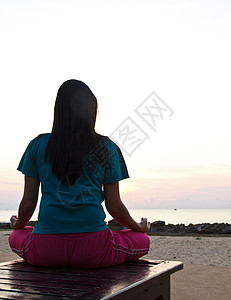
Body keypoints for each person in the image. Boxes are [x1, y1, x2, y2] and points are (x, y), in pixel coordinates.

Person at [9, 79, 150, 268]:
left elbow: (28, 204)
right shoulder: (106, 148)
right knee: (142, 240)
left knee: (17, 235)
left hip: (47, 250)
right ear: (90, 112)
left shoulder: (37, 145)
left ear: (58, 111)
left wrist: (18, 224)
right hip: (94, 250)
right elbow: (114, 207)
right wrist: (138, 227)